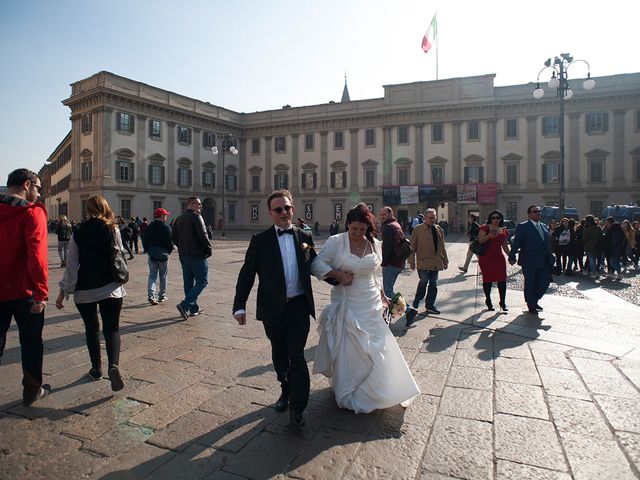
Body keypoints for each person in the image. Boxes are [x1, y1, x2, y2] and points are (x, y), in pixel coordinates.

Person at [310, 203, 420, 413]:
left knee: (378, 344)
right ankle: (350, 389)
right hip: (347, 300)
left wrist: (383, 295)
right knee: (350, 346)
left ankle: (382, 388)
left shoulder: (375, 244)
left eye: (362, 230)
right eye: (354, 229)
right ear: (348, 225)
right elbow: (316, 265)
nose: (358, 233)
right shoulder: (336, 242)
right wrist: (338, 275)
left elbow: (376, 274)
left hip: (370, 300)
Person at [233, 190, 316, 427]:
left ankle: (298, 408)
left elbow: (316, 265)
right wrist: (239, 305)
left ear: (293, 209)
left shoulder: (304, 236)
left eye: (287, 208)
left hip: (299, 307)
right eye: (278, 209)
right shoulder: (260, 241)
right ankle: (285, 390)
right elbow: (247, 275)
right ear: (270, 213)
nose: (283, 212)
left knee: (296, 355)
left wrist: (340, 278)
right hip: (273, 309)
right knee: (279, 355)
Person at [55, 195, 126, 391]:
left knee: (91, 329)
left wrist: (64, 290)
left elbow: (71, 264)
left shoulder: (78, 232)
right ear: (105, 208)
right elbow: (118, 254)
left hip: (84, 289)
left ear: (87, 210)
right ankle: (114, 366)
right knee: (112, 329)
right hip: (110, 286)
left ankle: (96, 369)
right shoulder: (113, 229)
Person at [0, 168, 50, 405]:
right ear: (27, 185)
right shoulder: (32, 213)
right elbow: (37, 257)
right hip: (25, 291)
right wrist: (41, 292)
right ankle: (31, 391)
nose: (39, 195)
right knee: (31, 343)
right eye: (38, 188)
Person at [405, 208, 448, 326]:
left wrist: (445, 260)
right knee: (424, 281)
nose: (432, 220)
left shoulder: (439, 229)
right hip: (423, 261)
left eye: (434, 217)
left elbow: (442, 246)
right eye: (430, 217)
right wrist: (411, 261)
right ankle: (417, 299)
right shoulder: (418, 229)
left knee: (434, 284)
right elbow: (412, 246)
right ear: (424, 218)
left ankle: (430, 306)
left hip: (435, 261)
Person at [508, 205, 555, 315]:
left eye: (539, 211)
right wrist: (512, 256)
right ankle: (531, 304)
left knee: (545, 281)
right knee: (530, 283)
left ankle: (534, 299)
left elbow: (547, 243)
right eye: (535, 211)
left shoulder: (544, 226)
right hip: (529, 260)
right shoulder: (523, 226)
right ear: (529, 214)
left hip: (544, 260)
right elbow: (517, 243)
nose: (538, 213)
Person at [172, 196, 212, 320]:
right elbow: (203, 235)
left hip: (184, 255)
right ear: (191, 204)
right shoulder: (196, 217)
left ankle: (193, 308)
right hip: (197, 255)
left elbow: (174, 237)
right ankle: (185, 305)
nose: (200, 207)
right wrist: (208, 249)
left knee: (188, 282)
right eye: (198, 204)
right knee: (202, 281)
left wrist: (182, 247)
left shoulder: (178, 219)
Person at [477, 210, 510, 311]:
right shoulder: (484, 228)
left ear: (501, 219)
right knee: (488, 281)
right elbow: (480, 240)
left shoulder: (503, 231)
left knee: (502, 280)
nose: (495, 220)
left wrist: (511, 256)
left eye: (497, 218)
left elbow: (504, 246)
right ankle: (488, 300)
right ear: (490, 218)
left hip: (499, 258)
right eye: (493, 218)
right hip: (486, 258)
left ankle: (503, 302)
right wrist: (489, 236)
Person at [142, 208, 174, 305]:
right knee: (163, 276)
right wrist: (168, 252)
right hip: (163, 255)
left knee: (152, 275)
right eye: (165, 215)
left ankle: (151, 295)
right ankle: (162, 296)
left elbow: (144, 240)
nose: (166, 217)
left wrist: (147, 250)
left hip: (152, 254)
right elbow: (170, 243)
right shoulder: (167, 228)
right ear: (161, 216)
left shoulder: (149, 227)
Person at [379, 206, 405, 299]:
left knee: (388, 292)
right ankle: (395, 312)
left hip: (391, 263)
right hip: (399, 262)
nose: (382, 217)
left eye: (384, 214)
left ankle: (407, 309)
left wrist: (384, 263)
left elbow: (387, 247)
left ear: (390, 214)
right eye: (381, 215)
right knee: (389, 290)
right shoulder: (396, 224)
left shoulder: (388, 226)